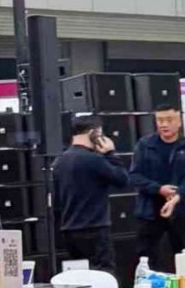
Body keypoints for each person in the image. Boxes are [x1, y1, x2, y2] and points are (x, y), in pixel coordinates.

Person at [52, 116, 130, 276]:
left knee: (79, 277)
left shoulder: (60, 161)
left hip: (69, 230)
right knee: (103, 275)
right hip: (95, 228)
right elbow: (123, 180)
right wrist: (111, 153)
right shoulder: (94, 160)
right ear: (94, 134)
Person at [127, 104, 185, 274]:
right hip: (149, 211)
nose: (164, 124)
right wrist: (159, 189)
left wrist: (176, 196)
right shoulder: (144, 145)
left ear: (179, 121)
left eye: (169, 120)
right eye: (160, 120)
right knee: (145, 256)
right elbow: (135, 176)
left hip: (180, 210)